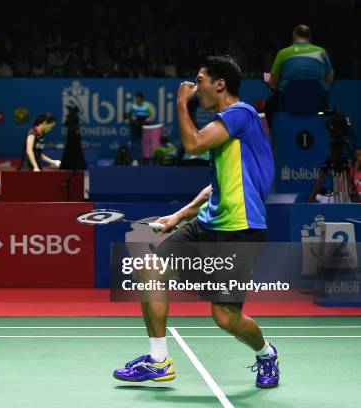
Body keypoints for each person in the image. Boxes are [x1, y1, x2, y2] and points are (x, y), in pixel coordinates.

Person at [113, 56, 279, 389]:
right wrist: (179, 215)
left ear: (220, 84)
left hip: (240, 232)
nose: (194, 84)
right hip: (205, 226)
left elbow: (191, 144)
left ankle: (266, 354)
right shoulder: (230, 133)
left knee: (224, 317)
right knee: (150, 268)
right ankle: (158, 361)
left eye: (200, 79)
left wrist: (179, 102)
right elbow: (216, 186)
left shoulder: (241, 114)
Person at [264, 24, 334, 125]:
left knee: (269, 105)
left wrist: (276, 85)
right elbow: (329, 79)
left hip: (288, 103)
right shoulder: (321, 52)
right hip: (316, 103)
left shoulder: (283, 53)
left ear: (294, 36)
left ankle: (274, 137)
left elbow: (273, 83)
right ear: (310, 37)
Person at [126, 92, 154, 161]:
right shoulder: (133, 106)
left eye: (138, 98)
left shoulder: (147, 105)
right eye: (136, 98)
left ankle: (146, 158)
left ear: (141, 98)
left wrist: (148, 119)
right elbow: (130, 115)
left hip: (145, 127)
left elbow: (151, 115)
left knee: (145, 143)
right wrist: (132, 118)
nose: (137, 99)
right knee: (134, 142)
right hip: (136, 127)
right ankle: (133, 158)